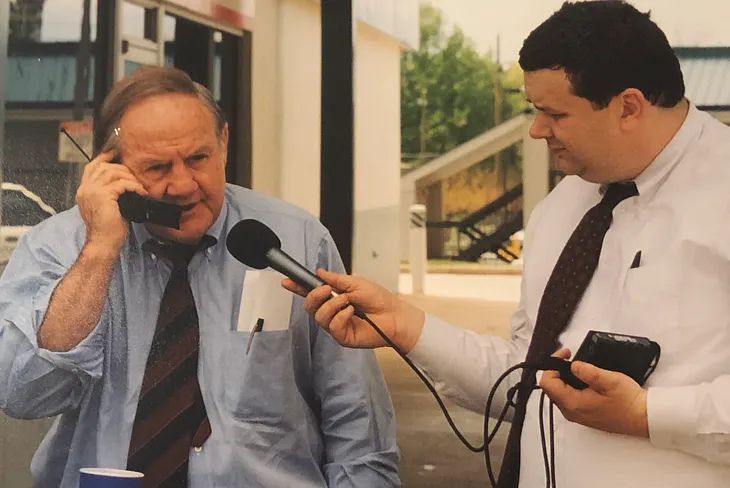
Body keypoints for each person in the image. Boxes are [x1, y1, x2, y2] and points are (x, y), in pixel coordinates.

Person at [285, 1, 730, 487]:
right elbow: (526, 381)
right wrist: (406, 325)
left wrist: (647, 414)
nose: (538, 130)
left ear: (628, 106)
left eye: (554, 113)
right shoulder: (565, 205)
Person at [0, 66, 400, 488]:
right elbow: (23, 394)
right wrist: (99, 251)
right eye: (156, 167)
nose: (183, 184)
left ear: (223, 143)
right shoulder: (60, 247)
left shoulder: (296, 238)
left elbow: (357, 416)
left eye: (198, 158)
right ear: (110, 168)